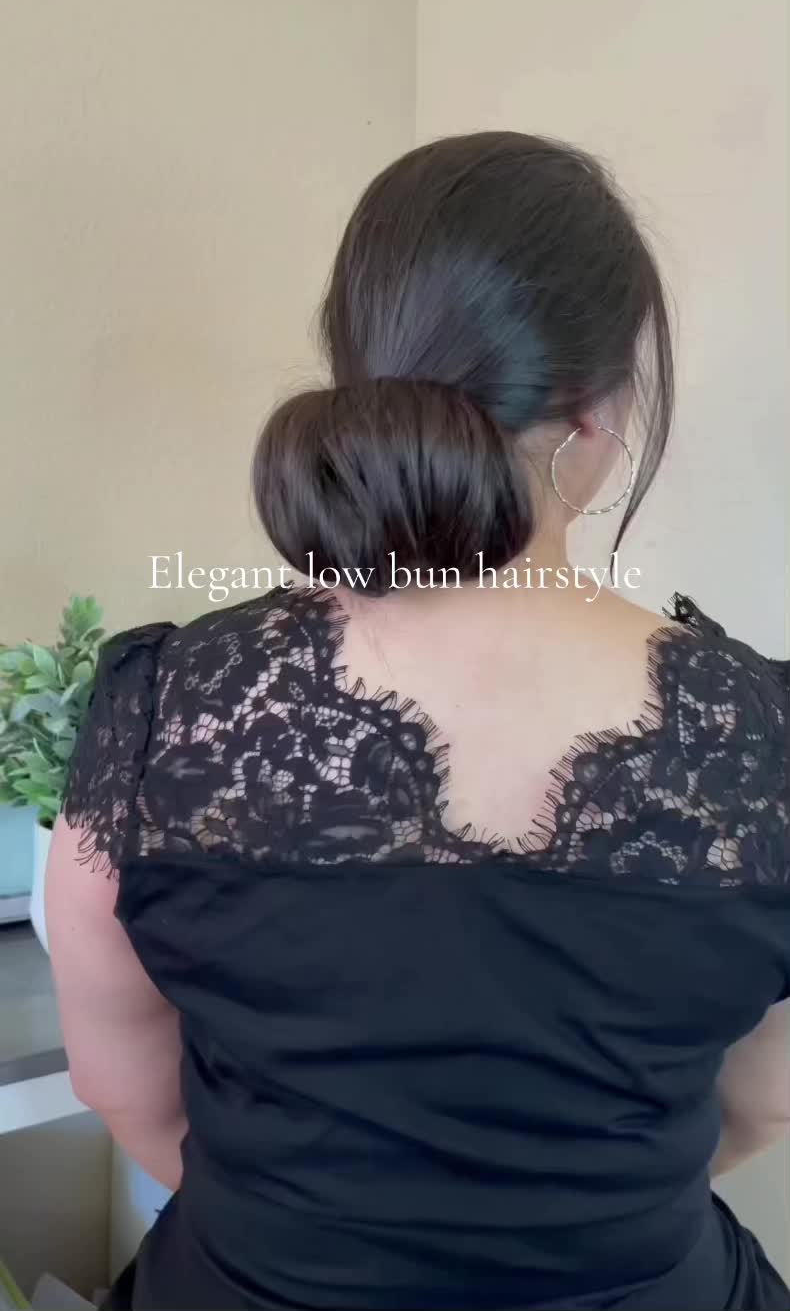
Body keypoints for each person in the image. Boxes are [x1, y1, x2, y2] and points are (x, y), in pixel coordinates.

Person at [47, 133, 789, 1310]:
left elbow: (122, 1086)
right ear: (596, 414)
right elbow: (758, 1108)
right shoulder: (764, 736)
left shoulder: (164, 711)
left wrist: (319, 1244)